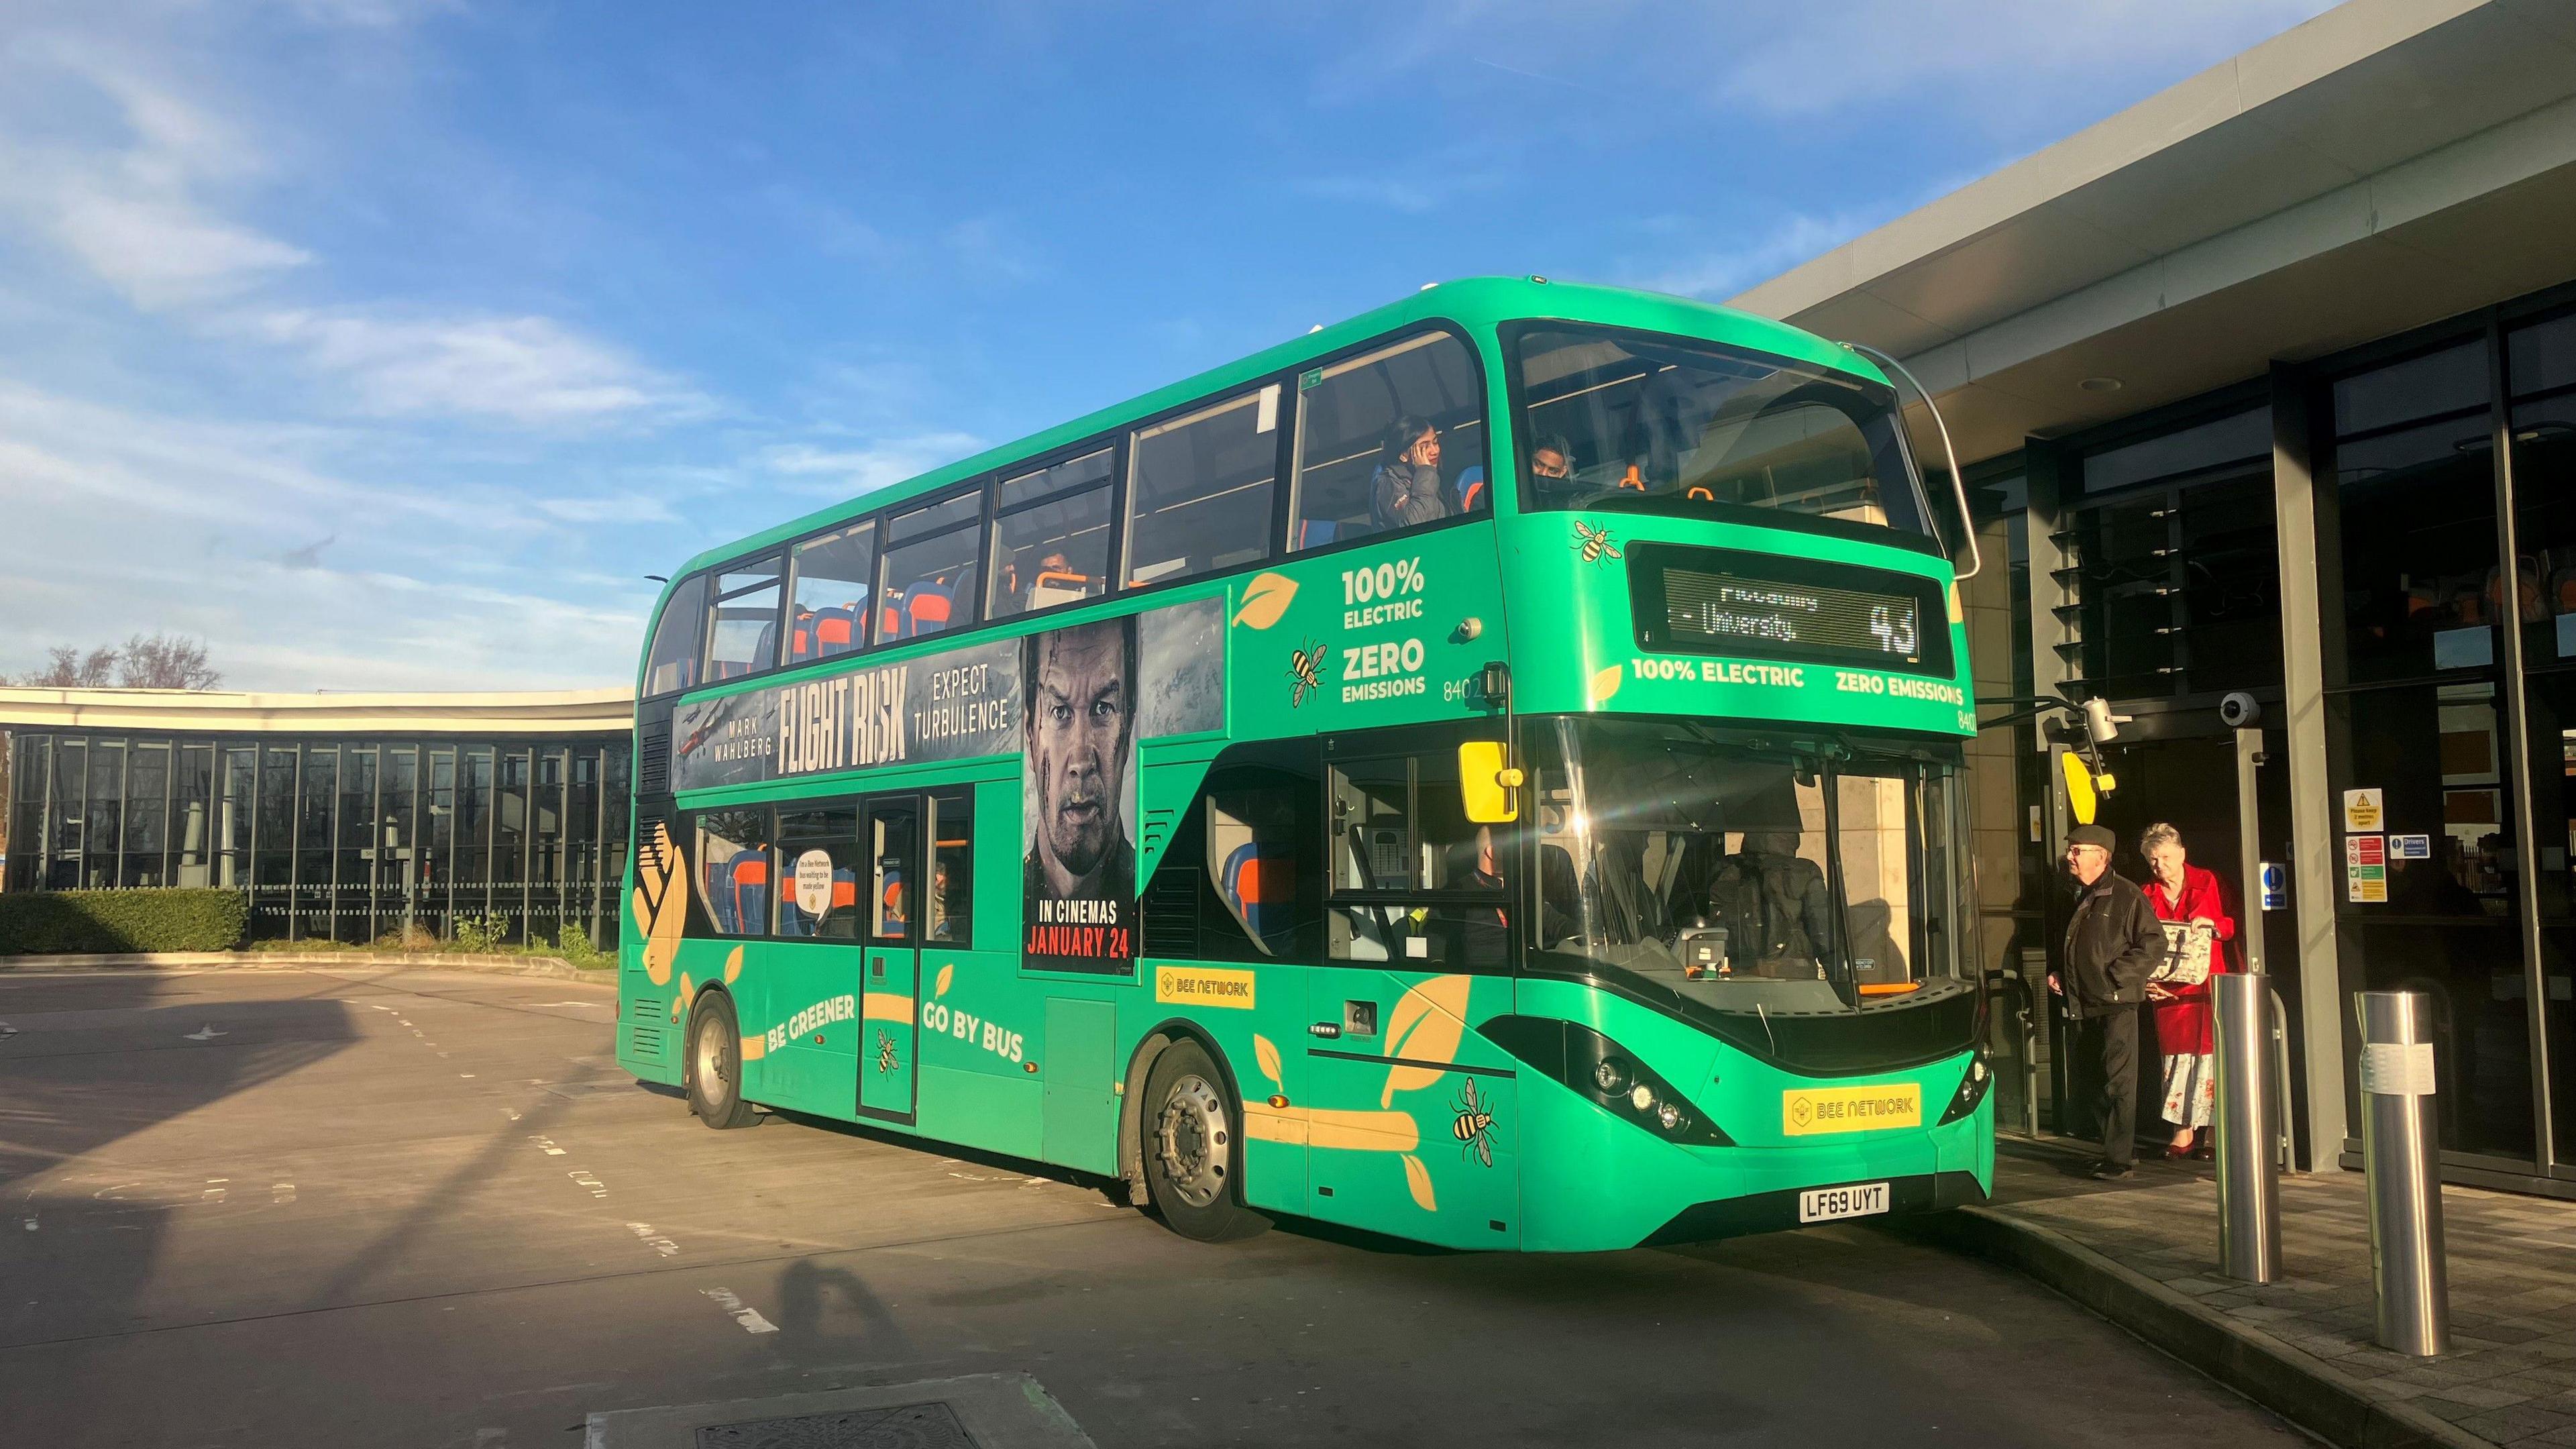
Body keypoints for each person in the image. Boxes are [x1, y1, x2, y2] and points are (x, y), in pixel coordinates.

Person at [2051, 822, 2165, 1179]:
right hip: (2082, 1002)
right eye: (2071, 850)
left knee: (2118, 1082)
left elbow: (2154, 944)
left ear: (2101, 857)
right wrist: (2058, 973)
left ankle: (2119, 1159)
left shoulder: (2127, 896)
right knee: (2089, 1080)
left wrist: (2116, 976)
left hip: (2116, 1002)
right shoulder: (2075, 894)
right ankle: (2112, 1150)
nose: (2070, 856)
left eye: (2077, 850)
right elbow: (2073, 944)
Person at [1021, 619, 1138, 963]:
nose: (1082, 759)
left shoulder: (1148, 898)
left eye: (1104, 709)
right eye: (1060, 713)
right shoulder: (1001, 904)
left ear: (1127, 728)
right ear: (1031, 735)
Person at [2137, 823, 2235, 1160]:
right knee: (2177, 1058)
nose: (2159, 865)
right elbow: (2136, 943)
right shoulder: (2145, 894)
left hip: (2208, 982)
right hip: (2168, 989)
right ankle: (2182, 1132)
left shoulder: (2208, 882)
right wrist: (2144, 982)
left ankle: (2212, 1132)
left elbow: (2233, 923)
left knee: (2210, 1056)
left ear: (2182, 854)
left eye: (2165, 857)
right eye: (2152, 859)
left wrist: (2214, 926)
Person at [1706, 831, 1833, 979]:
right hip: (1793, 980)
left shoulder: (1726, 870)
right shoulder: (1804, 872)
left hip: (1739, 978)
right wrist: (1841, 984)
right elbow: (1824, 935)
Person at [1369, 415, 1448, 531]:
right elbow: (1414, 524)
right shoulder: (1388, 485)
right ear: (1403, 455)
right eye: (1424, 446)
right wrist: (1425, 472)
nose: (1435, 451)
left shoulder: (1431, 473)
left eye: (1435, 442)